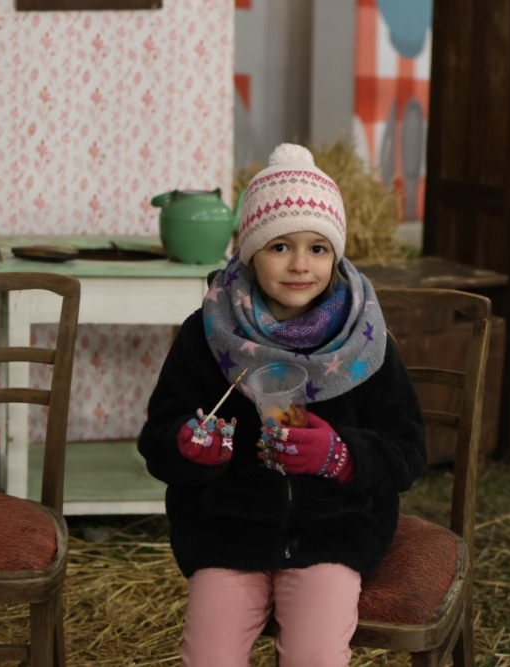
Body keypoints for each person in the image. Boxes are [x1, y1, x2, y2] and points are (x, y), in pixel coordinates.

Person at [137, 143, 427, 667]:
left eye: (318, 248)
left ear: (336, 254)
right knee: (208, 660)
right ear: (250, 250)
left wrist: (340, 455)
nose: (300, 265)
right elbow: (158, 436)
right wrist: (187, 448)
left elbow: (409, 448)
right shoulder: (206, 335)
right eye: (279, 247)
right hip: (229, 533)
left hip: (332, 535)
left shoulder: (363, 340)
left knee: (315, 657)